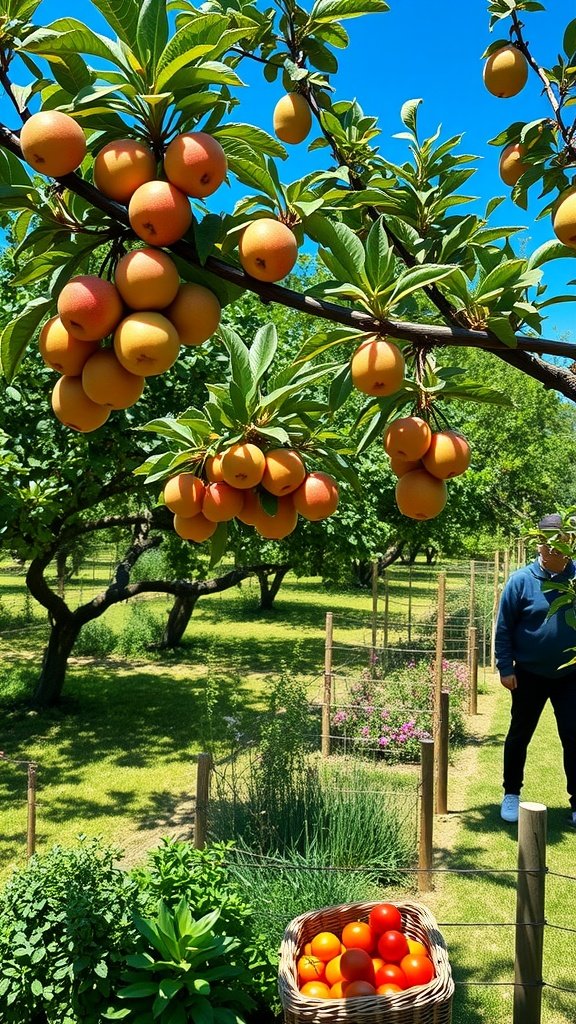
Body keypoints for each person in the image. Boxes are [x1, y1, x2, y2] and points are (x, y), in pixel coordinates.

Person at [495, 513, 576, 825]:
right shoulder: (521, 582)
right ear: (538, 543)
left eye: (561, 540)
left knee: (574, 735)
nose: (554, 548)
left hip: (571, 675)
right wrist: (505, 667)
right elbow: (504, 629)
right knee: (520, 734)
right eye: (547, 541)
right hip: (528, 674)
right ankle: (511, 794)